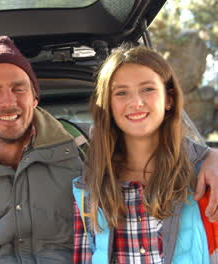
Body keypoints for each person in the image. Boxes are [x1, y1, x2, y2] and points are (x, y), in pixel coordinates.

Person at [0, 36, 218, 264]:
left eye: (19, 88)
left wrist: (210, 156)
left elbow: (146, 139)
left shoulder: (85, 153)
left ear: (34, 98)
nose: (8, 101)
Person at [72, 46, 213, 263]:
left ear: (169, 99)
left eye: (147, 89)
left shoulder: (204, 175)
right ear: (107, 105)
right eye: (121, 93)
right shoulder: (88, 187)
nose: (136, 102)